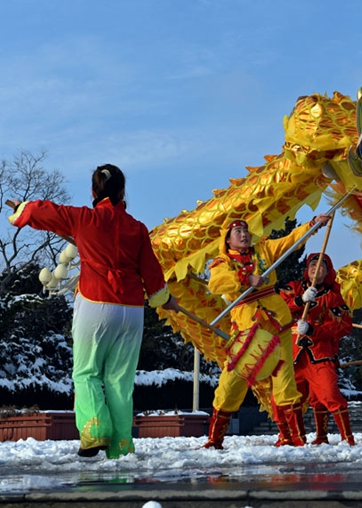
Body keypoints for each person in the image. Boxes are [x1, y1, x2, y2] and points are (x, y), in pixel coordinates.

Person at [7, 164, 179, 459]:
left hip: (96, 303)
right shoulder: (136, 229)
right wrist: (164, 298)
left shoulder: (83, 218)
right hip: (131, 311)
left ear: (92, 192)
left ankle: (95, 429)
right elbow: (152, 272)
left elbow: (44, 211)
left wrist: (21, 208)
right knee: (120, 382)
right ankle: (121, 446)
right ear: (123, 192)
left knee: (86, 373)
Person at [203, 213, 330, 449]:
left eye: (245, 231)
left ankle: (294, 438)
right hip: (248, 329)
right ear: (228, 240)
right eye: (237, 232)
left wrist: (313, 225)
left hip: (277, 322)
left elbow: (290, 240)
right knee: (232, 381)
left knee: (284, 380)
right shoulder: (222, 262)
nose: (244, 235)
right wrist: (244, 278)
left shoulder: (263, 251)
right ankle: (215, 439)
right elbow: (216, 283)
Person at [281, 253, 355, 445]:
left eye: (321, 266)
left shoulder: (333, 297)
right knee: (290, 397)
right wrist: (299, 301)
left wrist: (315, 330)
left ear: (327, 272)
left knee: (329, 394)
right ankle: (296, 439)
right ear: (307, 269)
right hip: (293, 355)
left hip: (320, 354)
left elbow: (345, 325)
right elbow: (276, 309)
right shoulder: (294, 288)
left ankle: (346, 438)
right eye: (312, 264)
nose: (316, 268)